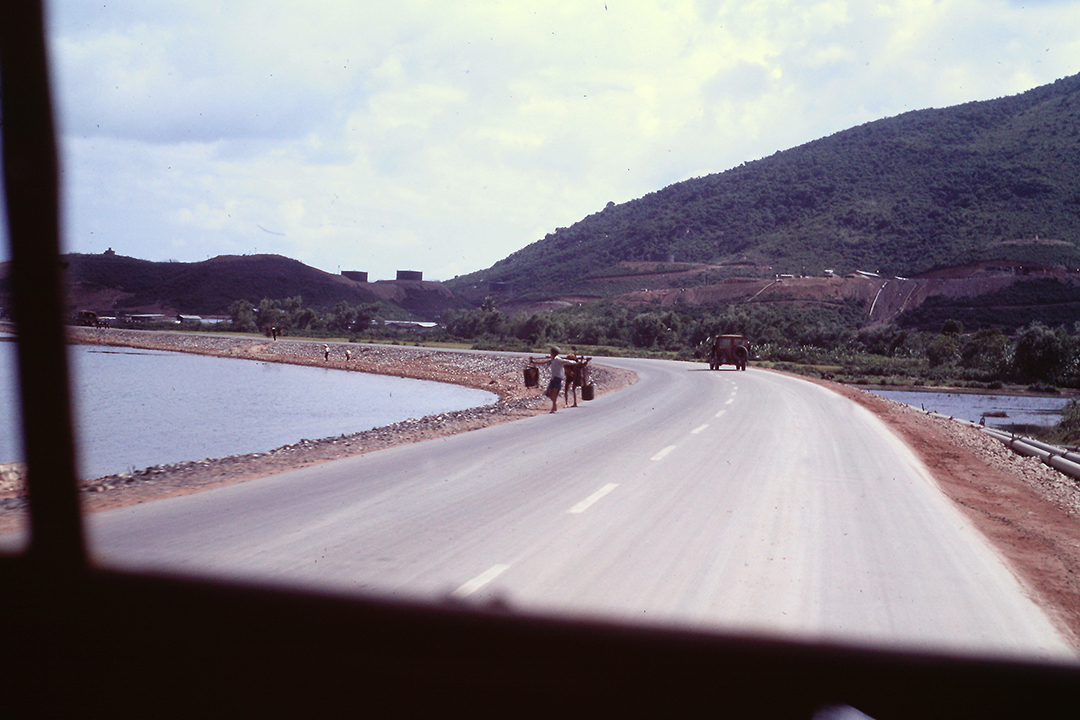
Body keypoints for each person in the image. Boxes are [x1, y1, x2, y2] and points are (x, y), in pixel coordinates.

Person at [529, 346, 568, 413]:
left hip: (558, 378)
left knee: (554, 393)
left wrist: (576, 363)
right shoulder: (552, 360)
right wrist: (534, 362)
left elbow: (567, 361)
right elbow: (544, 362)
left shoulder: (558, 359)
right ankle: (555, 404)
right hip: (553, 378)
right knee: (549, 394)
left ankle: (553, 408)